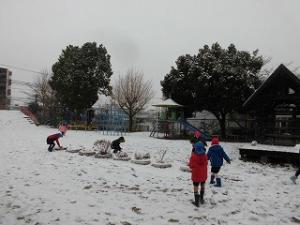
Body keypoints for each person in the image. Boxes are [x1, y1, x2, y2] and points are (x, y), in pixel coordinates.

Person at [188, 139, 208, 207]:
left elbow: (190, 166)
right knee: (202, 185)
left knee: (196, 186)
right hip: (203, 175)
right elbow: (206, 163)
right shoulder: (205, 156)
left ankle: (196, 201)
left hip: (196, 175)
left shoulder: (193, 156)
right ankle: (201, 199)